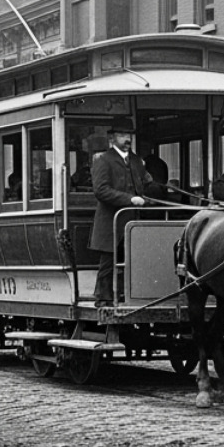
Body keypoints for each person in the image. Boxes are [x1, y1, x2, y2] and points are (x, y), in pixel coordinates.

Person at [89, 118, 162, 307]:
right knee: (108, 262)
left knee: (132, 259)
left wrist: (158, 189)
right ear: (112, 138)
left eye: (128, 135)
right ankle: (103, 299)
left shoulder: (137, 161)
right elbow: (101, 190)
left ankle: (127, 296)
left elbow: (146, 183)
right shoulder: (103, 160)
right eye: (122, 135)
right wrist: (129, 199)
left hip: (133, 221)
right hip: (110, 222)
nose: (127, 139)